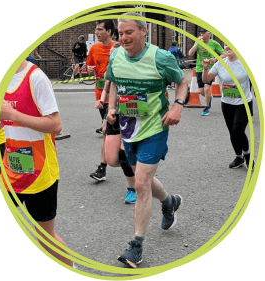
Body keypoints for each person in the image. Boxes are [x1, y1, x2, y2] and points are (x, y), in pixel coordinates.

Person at [106, 12, 188, 267]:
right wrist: (111, 107)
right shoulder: (116, 54)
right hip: (129, 128)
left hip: (155, 127)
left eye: (129, 32)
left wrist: (177, 106)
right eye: (120, 33)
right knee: (145, 179)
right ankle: (169, 202)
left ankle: (136, 246)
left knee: (140, 183)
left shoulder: (160, 57)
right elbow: (114, 83)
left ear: (143, 32)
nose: (123, 37)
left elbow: (182, 80)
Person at [0, 60, 74, 267]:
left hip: (40, 172)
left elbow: (55, 125)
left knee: (45, 236)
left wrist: (11, 114)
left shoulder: (36, 78)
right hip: (11, 167)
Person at [202, 44, 254, 169]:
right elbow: (206, 79)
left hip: (244, 103)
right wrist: (205, 69)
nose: (228, 47)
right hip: (227, 104)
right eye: (226, 44)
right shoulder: (220, 64)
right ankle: (238, 157)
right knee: (232, 132)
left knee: (238, 130)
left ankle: (247, 155)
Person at [96, 42, 136, 203]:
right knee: (112, 159)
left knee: (123, 154)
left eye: (114, 54)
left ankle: (132, 188)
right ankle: (138, 164)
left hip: (133, 112)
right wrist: (108, 112)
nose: (111, 57)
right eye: (110, 55)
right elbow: (110, 85)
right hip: (116, 113)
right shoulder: (113, 69)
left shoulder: (135, 67)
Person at [86, 19, 116, 181]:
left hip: (117, 98)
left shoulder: (118, 48)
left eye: (100, 29)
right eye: (96, 30)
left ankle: (102, 168)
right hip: (100, 97)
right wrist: (88, 70)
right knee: (110, 132)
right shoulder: (94, 48)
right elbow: (87, 69)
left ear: (109, 32)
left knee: (106, 130)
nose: (97, 32)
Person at [188, 28, 225, 116]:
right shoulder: (198, 43)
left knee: (207, 88)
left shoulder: (214, 43)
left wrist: (215, 59)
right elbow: (190, 53)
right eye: (201, 33)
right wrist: (197, 43)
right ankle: (209, 98)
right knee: (201, 91)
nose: (202, 35)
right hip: (199, 68)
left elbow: (223, 54)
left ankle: (206, 108)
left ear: (209, 34)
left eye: (204, 33)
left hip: (210, 68)